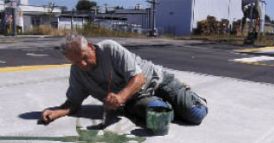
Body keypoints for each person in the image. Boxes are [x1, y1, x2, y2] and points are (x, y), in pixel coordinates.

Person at [41, 34, 208, 126]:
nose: (83, 64)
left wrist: (120, 97)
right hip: (135, 99)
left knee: (195, 115)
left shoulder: (109, 49)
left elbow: (139, 78)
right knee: (158, 119)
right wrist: (56, 112)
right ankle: (167, 104)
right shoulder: (77, 73)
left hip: (155, 80)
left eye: (85, 57)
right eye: (76, 62)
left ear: (91, 46)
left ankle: (190, 97)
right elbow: (73, 103)